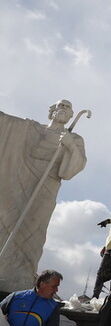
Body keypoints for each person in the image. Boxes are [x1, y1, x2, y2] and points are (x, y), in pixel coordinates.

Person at [0, 101, 86, 292]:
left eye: (67, 108)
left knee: (34, 229)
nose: (63, 109)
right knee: (7, 223)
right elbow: (6, 124)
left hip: (46, 186)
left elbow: (73, 168)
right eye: (59, 105)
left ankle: (21, 276)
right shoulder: (31, 129)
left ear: (71, 116)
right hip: (21, 182)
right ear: (51, 111)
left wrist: (70, 146)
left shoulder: (74, 138)